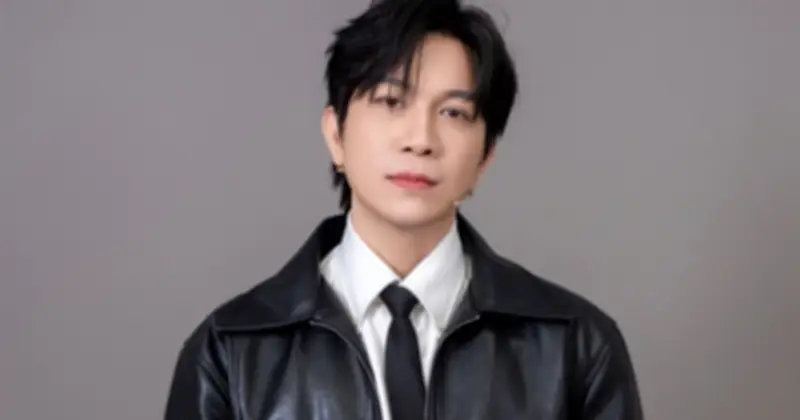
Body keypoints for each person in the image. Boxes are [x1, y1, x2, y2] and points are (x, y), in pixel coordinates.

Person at [164, 0, 644, 419]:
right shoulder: (229, 352)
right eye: (392, 101)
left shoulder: (576, 347)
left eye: (454, 113)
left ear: (485, 157)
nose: (421, 140)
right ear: (336, 134)